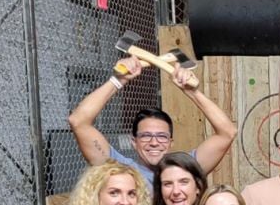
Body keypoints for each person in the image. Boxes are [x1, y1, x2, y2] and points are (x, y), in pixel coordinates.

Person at [68, 57, 236, 186]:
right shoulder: (117, 170)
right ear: (134, 142)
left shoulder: (185, 171)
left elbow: (227, 132)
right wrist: (118, 81)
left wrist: (192, 92)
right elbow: (78, 121)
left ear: (171, 143)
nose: (154, 142)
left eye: (162, 136)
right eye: (146, 136)